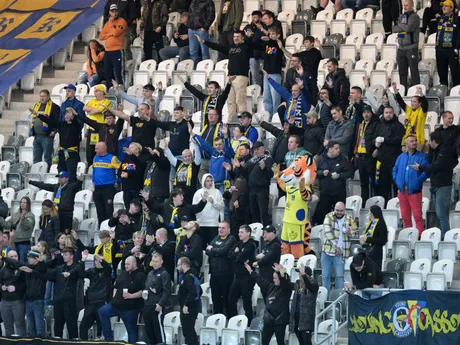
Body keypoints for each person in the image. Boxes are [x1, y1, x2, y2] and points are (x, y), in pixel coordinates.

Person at [198, 30, 251, 116]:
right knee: (230, 101)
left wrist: (248, 38)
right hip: (230, 77)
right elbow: (217, 46)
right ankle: (231, 122)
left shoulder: (246, 47)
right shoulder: (231, 47)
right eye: (234, 37)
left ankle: (243, 123)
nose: (235, 38)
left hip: (240, 76)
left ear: (242, 38)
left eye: (238, 37)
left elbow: (253, 44)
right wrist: (204, 41)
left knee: (240, 101)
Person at [414, 131, 456, 236]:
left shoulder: (444, 152)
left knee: (441, 213)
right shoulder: (436, 151)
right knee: (439, 213)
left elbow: (435, 166)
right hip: (437, 184)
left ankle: (446, 236)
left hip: (443, 185)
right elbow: (430, 161)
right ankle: (443, 234)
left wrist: (420, 167)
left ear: (433, 141)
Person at [99, 256, 146, 343]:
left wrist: (131, 296)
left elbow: (142, 291)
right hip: (115, 305)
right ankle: (108, 338)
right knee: (102, 311)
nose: (126, 266)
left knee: (132, 331)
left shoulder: (141, 275)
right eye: (125, 264)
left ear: (134, 264)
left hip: (130, 309)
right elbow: (116, 286)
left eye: (128, 264)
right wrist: (113, 298)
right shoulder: (123, 273)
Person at [245, 262, 292, 345]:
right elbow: (260, 280)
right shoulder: (271, 286)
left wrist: (282, 273)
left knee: (280, 342)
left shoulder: (286, 289)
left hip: (280, 320)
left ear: (280, 278)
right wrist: (251, 271)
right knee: (264, 341)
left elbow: (286, 282)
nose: (273, 280)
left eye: (276, 278)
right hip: (268, 319)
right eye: (273, 278)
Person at [392, 135, 429, 236]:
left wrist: (418, 181)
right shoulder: (401, 157)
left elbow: (426, 171)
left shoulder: (421, 156)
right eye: (411, 141)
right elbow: (395, 169)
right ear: (406, 143)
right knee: (405, 216)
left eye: (415, 141)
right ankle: (408, 236)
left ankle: (419, 236)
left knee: (417, 215)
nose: (414, 143)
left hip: (414, 191)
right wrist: (397, 181)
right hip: (403, 191)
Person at [321, 202, 357, 295]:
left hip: (340, 254)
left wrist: (350, 232)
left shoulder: (349, 219)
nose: (339, 212)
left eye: (341, 211)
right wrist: (336, 247)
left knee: (340, 278)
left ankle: (338, 300)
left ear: (344, 210)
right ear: (334, 209)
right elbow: (328, 233)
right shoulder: (328, 217)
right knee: (325, 277)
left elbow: (355, 232)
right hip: (327, 253)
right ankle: (325, 299)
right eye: (337, 210)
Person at [38, 106, 82, 182]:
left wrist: (74, 117)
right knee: (61, 174)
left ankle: (71, 191)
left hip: (71, 154)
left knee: (71, 176)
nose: (67, 115)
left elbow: (77, 123)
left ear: (73, 116)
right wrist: (39, 115)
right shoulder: (62, 124)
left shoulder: (76, 125)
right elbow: (51, 122)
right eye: (66, 113)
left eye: (69, 114)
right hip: (62, 153)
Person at [193, 123, 234, 201]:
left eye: (220, 144)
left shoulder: (227, 153)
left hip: (224, 185)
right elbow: (203, 144)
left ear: (223, 144)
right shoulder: (213, 152)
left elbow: (228, 146)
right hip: (213, 185)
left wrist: (225, 136)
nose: (218, 146)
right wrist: (192, 134)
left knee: (224, 207)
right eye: (216, 145)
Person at [315, 141, 353, 223]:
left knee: (339, 214)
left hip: (339, 192)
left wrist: (340, 175)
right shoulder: (321, 159)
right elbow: (314, 172)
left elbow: (350, 172)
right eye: (336, 148)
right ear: (330, 149)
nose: (338, 150)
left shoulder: (343, 159)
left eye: (339, 148)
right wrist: (322, 173)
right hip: (325, 192)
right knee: (323, 214)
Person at [46, 247, 80, 339]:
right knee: (58, 326)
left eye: (66, 255)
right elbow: (48, 275)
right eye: (63, 255)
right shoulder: (59, 268)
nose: (64, 257)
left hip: (70, 300)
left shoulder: (76, 267)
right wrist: (51, 261)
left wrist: (70, 273)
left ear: (72, 256)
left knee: (72, 326)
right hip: (58, 300)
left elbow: (79, 272)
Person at [373, 106, 405, 202]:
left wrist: (384, 140)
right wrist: (375, 143)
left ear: (393, 113)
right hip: (382, 159)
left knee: (396, 184)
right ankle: (384, 205)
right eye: (386, 113)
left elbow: (398, 139)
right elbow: (374, 137)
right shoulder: (380, 125)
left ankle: (397, 204)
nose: (388, 115)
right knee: (383, 185)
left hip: (394, 159)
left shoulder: (398, 125)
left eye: (390, 112)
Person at [79, 252, 112, 340]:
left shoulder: (106, 271)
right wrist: (83, 260)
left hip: (102, 302)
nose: (100, 262)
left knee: (101, 329)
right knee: (83, 327)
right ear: (95, 262)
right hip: (91, 303)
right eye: (98, 260)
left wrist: (101, 260)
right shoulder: (91, 271)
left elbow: (108, 267)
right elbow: (81, 273)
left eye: (102, 260)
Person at [205, 221, 236, 315]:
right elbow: (207, 251)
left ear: (228, 229)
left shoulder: (231, 239)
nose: (220, 230)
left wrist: (213, 250)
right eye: (219, 228)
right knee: (215, 299)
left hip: (226, 274)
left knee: (227, 299)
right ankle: (218, 319)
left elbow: (224, 251)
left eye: (223, 228)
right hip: (214, 274)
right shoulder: (216, 238)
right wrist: (217, 252)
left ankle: (229, 320)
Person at [228, 225, 256, 323]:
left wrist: (237, 254)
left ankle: (248, 323)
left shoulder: (251, 244)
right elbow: (230, 255)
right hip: (237, 276)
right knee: (231, 299)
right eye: (239, 232)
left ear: (248, 233)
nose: (239, 234)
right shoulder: (238, 243)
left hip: (247, 277)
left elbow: (240, 258)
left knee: (247, 302)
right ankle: (233, 321)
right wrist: (237, 254)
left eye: (242, 232)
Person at [253, 27, 283, 118]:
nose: (271, 35)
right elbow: (254, 45)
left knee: (275, 98)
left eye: (273, 34)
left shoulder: (280, 44)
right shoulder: (266, 44)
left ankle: (275, 117)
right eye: (270, 34)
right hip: (266, 73)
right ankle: (268, 116)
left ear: (278, 35)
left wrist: (270, 40)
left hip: (275, 74)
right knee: (266, 97)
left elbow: (281, 50)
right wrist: (261, 39)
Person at [143, 252, 172, 345]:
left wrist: (161, 304)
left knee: (158, 330)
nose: (155, 263)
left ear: (161, 262)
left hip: (157, 305)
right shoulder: (150, 273)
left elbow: (167, 291)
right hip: (147, 304)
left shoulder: (164, 274)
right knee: (149, 330)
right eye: (153, 261)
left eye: (157, 261)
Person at [353, 105, 379, 204]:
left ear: (371, 113)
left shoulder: (375, 124)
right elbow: (356, 139)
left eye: (368, 112)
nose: (366, 114)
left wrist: (377, 149)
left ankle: (375, 202)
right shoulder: (360, 124)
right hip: (360, 156)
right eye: (364, 112)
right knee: (363, 183)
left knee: (374, 182)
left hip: (370, 156)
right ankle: (364, 203)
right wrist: (355, 152)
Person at [244, 141, 274, 226]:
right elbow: (246, 173)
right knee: (254, 213)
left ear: (262, 149)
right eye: (254, 150)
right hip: (252, 190)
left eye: (258, 149)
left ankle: (266, 230)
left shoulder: (268, 159)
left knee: (263, 212)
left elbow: (271, 174)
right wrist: (239, 167)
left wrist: (264, 168)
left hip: (262, 190)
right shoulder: (252, 161)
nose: (256, 152)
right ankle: (256, 231)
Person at [18, 250, 47, 338]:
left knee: (39, 326)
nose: (29, 259)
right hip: (28, 300)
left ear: (36, 259)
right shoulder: (28, 267)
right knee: (30, 327)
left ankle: (42, 342)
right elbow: (17, 265)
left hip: (38, 300)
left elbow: (42, 268)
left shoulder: (42, 268)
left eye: (31, 258)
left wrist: (32, 271)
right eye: (28, 258)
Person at [393, 0, 421, 89]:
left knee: (413, 71)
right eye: (404, 5)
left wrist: (400, 26)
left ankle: (416, 93)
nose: (405, 7)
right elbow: (395, 29)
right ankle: (403, 90)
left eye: (407, 5)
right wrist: (402, 27)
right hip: (401, 48)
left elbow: (409, 28)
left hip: (411, 48)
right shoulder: (402, 16)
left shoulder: (415, 17)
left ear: (412, 6)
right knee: (402, 72)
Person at [82, 85, 113, 165]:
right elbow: (84, 108)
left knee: (99, 149)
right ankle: (90, 166)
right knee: (90, 150)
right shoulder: (92, 101)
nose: (95, 93)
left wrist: (91, 111)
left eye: (97, 91)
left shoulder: (106, 102)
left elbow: (98, 111)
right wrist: (94, 110)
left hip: (100, 128)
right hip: (91, 129)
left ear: (102, 92)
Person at [93, 142, 121, 226]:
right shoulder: (95, 157)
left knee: (108, 210)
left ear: (103, 149)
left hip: (108, 188)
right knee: (99, 210)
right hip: (97, 188)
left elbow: (121, 169)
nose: (95, 150)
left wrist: (118, 181)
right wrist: (93, 180)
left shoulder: (112, 158)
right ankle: (101, 227)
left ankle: (109, 227)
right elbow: (94, 171)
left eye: (97, 148)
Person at [100, 4, 127, 90]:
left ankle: (121, 91)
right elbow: (101, 36)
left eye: (116, 11)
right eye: (113, 12)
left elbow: (116, 33)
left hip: (117, 50)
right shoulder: (107, 23)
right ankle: (110, 91)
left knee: (118, 73)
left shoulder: (122, 21)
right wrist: (109, 33)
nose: (114, 13)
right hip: (108, 51)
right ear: (109, 12)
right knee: (108, 73)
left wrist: (111, 27)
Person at [29, 89, 60, 167]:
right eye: (40, 96)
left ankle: (46, 173)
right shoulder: (37, 105)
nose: (42, 98)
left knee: (47, 158)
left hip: (47, 136)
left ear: (48, 96)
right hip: (37, 136)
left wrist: (55, 130)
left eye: (44, 96)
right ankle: (36, 174)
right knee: (36, 157)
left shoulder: (54, 107)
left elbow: (57, 121)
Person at [289, 264, 318, 345]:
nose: (299, 275)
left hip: (306, 318)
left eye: (301, 273)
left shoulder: (314, 284)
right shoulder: (298, 284)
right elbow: (287, 285)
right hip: (297, 317)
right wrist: (282, 275)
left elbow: (309, 285)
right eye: (299, 273)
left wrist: (304, 276)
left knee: (307, 341)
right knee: (301, 341)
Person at [393, 82, 428, 149]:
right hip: (406, 140)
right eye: (411, 101)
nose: (412, 103)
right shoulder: (409, 110)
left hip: (418, 140)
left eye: (414, 102)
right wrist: (395, 91)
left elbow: (425, 104)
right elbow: (401, 102)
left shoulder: (422, 111)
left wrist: (421, 94)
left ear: (420, 103)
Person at [0, 197, 34, 264]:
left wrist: (23, 218)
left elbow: (28, 226)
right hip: (14, 242)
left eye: (25, 202)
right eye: (21, 202)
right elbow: (7, 225)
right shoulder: (16, 214)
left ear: (28, 204)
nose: (22, 204)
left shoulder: (30, 215)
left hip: (24, 243)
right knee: (14, 262)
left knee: (23, 262)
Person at [193, 174, 224, 246]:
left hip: (213, 224)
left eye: (211, 181)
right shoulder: (198, 193)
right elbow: (194, 208)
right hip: (201, 224)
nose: (210, 183)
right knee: (202, 246)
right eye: (207, 181)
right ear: (203, 181)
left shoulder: (217, 192)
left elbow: (221, 207)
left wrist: (213, 202)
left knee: (213, 246)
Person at [0, 250, 26, 336]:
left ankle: (21, 343)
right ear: (7, 258)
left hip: (18, 301)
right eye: (11, 257)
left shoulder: (22, 268)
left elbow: (26, 284)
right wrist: (1, 286)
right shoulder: (3, 269)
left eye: (15, 256)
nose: (14, 258)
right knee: (7, 325)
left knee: (20, 325)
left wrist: (16, 288)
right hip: (4, 301)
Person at [435, 0, 460, 86]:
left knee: (455, 74)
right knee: (442, 75)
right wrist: (437, 47)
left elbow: (459, 35)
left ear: (451, 8)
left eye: (446, 6)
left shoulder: (457, 19)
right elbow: (438, 34)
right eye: (443, 6)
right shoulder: (441, 19)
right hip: (440, 50)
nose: (443, 8)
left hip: (451, 50)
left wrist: (456, 49)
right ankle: (443, 92)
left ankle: (456, 93)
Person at [177, 257, 200, 345]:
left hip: (189, 308)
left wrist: (186, 304)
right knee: (189, 330)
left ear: (184, 265)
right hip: (191, 307)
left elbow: (193, 292)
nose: (177, 268)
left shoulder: (188, 277)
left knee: (188, 331)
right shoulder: (192, 275)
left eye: (178, 265)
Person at [187, 0, 215, 66]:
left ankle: (205, 70)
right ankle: (195, 70)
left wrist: (205, 27)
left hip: (201, 29)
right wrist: (189, 26)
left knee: (204, 51)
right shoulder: (193, 1)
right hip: (191, 29)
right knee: (192, 52)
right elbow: (189, 14)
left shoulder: (208, 1)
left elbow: (212, 15)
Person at [119, 142, 146, 209]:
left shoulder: (141, 160)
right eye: (129, 147)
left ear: (138, 149)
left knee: (136, 209)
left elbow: (140, 171)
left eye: (132, 147)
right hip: (126, 189)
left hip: (136, 189)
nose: (129, 149)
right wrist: (121, 174)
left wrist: (128, 174)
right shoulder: (125, 160)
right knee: (128, 209)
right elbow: (119, 171)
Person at [360, 205, 388, 270]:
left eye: (369, 212)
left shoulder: (381, 223)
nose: (368, 214)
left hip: (376, 252)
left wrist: (368, 239)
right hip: (367, 250)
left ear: (372, 213)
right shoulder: (371, 223)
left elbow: (383, 240)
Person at [244, 11, 264, 87]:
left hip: (263, 55)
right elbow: (245, 38)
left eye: (255, 17)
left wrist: (261, 29)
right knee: (254, 75)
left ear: (260, 18)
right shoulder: (248, 27)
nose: (253, 19)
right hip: (252, 55)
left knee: (265, 75)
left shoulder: (264, 27)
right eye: (252, 17)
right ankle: (256, 91)